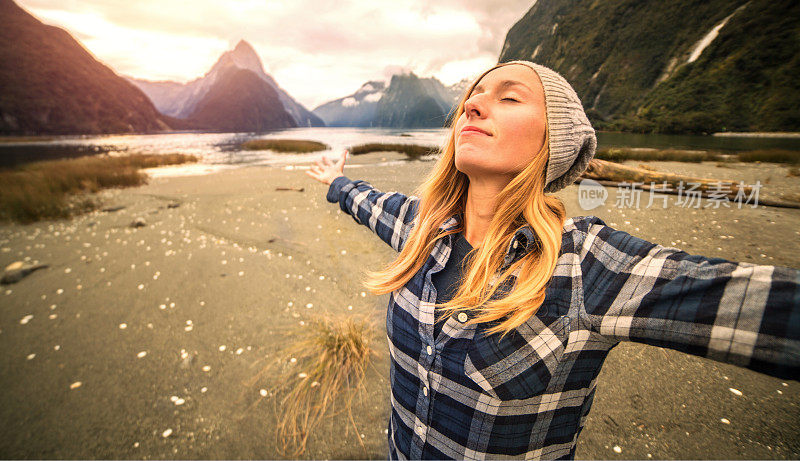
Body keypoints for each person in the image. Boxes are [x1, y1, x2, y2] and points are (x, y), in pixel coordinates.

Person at [305, 60, 800, 460]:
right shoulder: (422, 229)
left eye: (509, 96)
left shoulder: (585, 267)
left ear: (554, 140)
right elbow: (370, 203)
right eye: (471, 98)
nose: (473, 104)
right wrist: (336, 181)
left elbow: (757, 306)